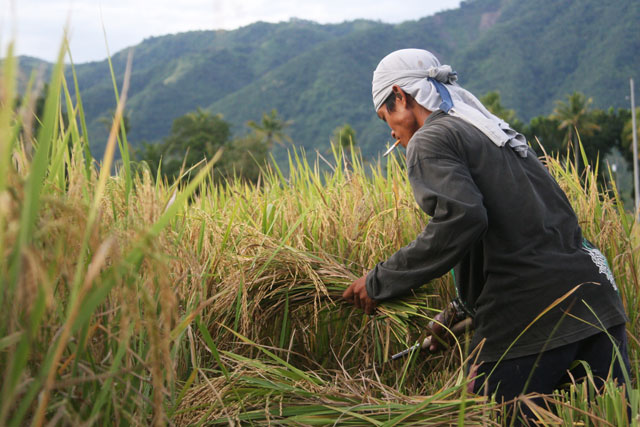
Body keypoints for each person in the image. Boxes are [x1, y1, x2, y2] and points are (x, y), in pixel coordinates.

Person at [342, 48, 630, 419]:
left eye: (388, 120)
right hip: (598, 301)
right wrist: (462, 310)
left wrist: (378, 281)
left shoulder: (431, 140)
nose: (396, 137)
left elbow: (461, 220)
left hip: (529, 313)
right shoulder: (494, 133)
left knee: (480, 416)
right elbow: (520, 233)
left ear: (401, 96)